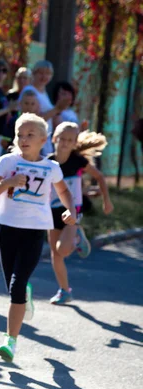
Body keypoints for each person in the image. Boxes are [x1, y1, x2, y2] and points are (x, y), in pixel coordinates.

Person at [0, 113, 76, 362]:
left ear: (44, 139)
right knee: (13, 286)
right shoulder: (7, 161)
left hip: (35, 231)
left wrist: (71, 210)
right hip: (8, 229)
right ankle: (25, 294)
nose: (23, 139)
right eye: (19, 134)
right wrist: (9, 182)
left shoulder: (51, 167)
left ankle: (10, 341)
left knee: (16, 287)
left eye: (30, 135)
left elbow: (64, 191)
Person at [47, 123, 113, 304]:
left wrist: (106, 200)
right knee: (56, 254)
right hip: (52, 212)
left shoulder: (78, 161)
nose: (65, 143)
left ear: (75, 142)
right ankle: (64, 290)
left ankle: (76, 237)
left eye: (70, 140)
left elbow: (99, 176)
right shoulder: (48, 162)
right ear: (54, 139)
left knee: (63, 249)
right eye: (62, 139)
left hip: (72, 210)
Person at [19, 60, 70, 156]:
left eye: (48, 73)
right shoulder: (30, 91)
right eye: (41, 73)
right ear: (34, 73)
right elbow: (34, 119)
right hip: (32, 140)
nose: (44, 76)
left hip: (45, 139)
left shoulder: (44, 92)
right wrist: (56, 109)